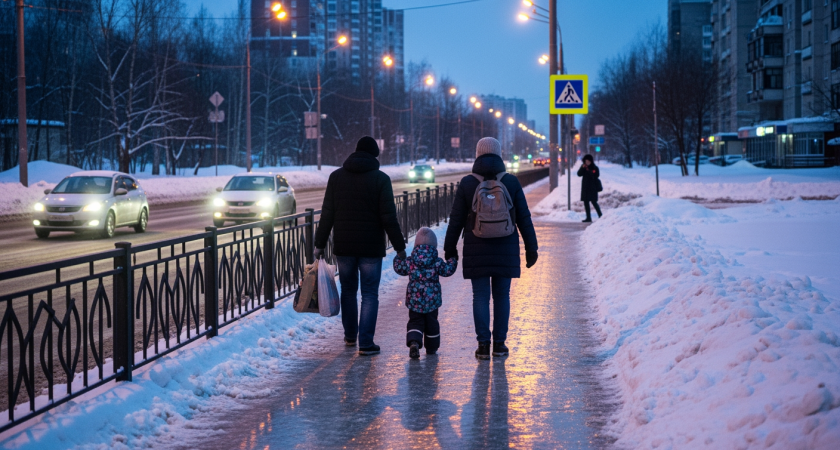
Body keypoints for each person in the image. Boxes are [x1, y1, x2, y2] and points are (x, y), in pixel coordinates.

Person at [443, 137, 539, 360]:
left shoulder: (468, 183)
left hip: (476, 248)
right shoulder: (511, 182)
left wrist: (450, 249)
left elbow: (456, 219)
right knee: (502, 296)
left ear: (478, 155)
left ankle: (483, 346)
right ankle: (500, 345)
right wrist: (531, 248)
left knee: (480, 296)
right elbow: (524, 218)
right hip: (506, 247)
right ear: (499, 154)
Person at [314, 136, 407, 356]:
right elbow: (389, 218)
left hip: (344, 247)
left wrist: (319, 244)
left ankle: (349, 337)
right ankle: (365, 343)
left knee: (348, 291)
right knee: (369, 294)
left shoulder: (336, 177)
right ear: (375, 155)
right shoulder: (381, 179)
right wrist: (400, 247)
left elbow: (327, 214)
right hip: (370, 248)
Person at [394, 227, 458, 359]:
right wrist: (453, 259)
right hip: (432, 301)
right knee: (431, 323)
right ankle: (432, 347)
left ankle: (414, 342)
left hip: (414, 300)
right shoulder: (436, 262)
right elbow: (448, 270)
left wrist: (398, 257)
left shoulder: (411, 261)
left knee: (415, 321)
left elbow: (399, 267)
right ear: (434, 245)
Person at [577, 154, 602, 223]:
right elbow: (579, 174)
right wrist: (582, 168)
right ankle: (588, 217)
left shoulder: (594, 167)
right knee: (586, 202)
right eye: (586, 161)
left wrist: (590, 170)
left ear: (591, 161)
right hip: (585, 187)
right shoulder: (583, 167)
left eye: (588, 161)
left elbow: (596, 175)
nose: (587, 162)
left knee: (594, 202)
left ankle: (600, 215)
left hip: (592, 187)